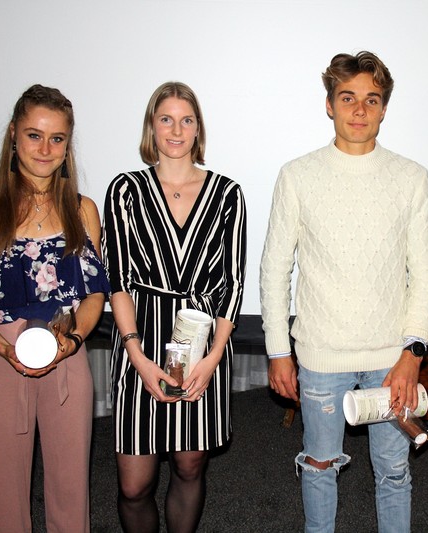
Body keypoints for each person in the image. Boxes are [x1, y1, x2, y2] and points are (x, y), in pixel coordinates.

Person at [260, 51, 428, 533]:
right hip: (320, 357)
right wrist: (278, 351)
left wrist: (412, 354)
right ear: (329, 105)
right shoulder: (297, 175)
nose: (359, 110)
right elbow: (275, 269)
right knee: (319, 469)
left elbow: (426, 273)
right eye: (348, 98)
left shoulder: (412, 178)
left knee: (395, 472)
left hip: (392, 360)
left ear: (384, 109)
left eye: (371, 100)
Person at [0, 84, 109, 532]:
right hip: (0, 356)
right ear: (13, 134)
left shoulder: (83, 210)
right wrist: (4, 349)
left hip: (68, 355)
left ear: (68, 145)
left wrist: (74, 340)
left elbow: (95, 293)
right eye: (35, 135)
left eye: (57, 139)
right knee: (5, 489)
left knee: (71, 488)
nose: (45, 149)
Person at [102, 81, 247, 533]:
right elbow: (118, 281)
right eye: (166, 119)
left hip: (204, 347)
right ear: (152, 126)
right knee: (134, 487)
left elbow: (233, 283)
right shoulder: (125, 190)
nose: (177, 130)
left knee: (189, 467)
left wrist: (214, 356)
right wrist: (137, 357)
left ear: (198, 128)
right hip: (139, 341)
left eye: (187, 120)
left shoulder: (227, 193)